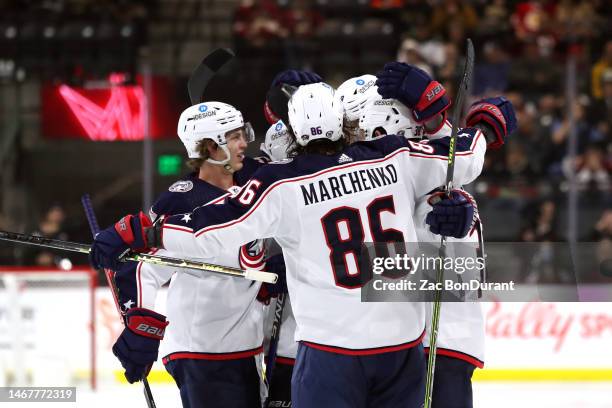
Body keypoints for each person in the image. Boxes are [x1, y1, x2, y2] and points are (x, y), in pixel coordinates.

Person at [91, 63, 514, 407]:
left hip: (330, 352)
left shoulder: (282, 184)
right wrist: (482, 128)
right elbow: (463, 157)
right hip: (400, 346)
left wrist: (142, 230)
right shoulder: (395, 156)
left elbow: (212, 231)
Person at [99, 101, 269, 408]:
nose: (245, 143)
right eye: (234, 136)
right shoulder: (183, 202)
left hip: (245, 346)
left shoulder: (249, 186)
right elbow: (144, 268)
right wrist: (142, 325)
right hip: (203, 352)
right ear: (210, 146)